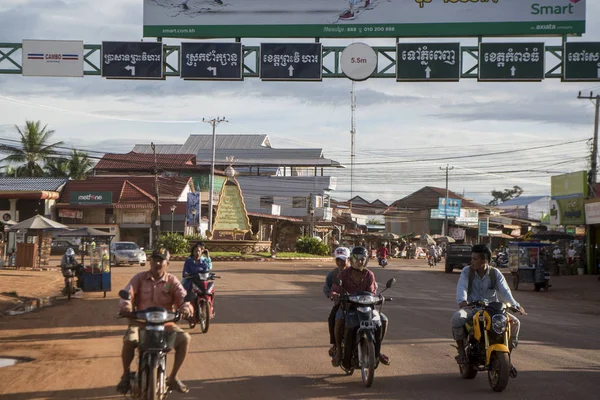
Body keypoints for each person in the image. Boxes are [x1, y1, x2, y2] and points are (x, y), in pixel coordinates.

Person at [117, 248, 193, 395]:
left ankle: (173, 377)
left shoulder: (172, 281)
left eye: (161, 260)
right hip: (141, 323)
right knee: (129, 340)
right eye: (154, 259)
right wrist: (126, 306)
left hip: (166, 325)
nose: (157, 263)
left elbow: (183, 297)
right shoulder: (139, 278)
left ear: (167, 263)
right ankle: (125, 375)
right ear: (149, 261)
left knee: (185, 338)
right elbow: (127, 293)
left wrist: (185, 308)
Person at [451, 244, 526, 367]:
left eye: (475, 259)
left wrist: (515, 305)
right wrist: (462, 301)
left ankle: (507, 358)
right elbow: (462, 287)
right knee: (457, 317)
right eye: (472, 258)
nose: (472, 262)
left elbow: (505, 291)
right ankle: (461, 352)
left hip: (492, 310)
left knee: (515, 323)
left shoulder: (495, 273)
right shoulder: (467, 271)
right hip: (472, 308)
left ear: (484, 260)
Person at [330, 246, 390, 367]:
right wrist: (335, 295)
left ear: (366, 260)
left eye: (363, 259)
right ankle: (339, 351)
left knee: (383, 320)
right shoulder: (344, 274)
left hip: (367, 308)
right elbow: (334, 290)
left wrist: (378, 298)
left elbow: (372, 292)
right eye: (357, 259)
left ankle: (377, 350)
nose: (360, 262)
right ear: (352, 260)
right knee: (338, 319)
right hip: (349, 307)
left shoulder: (369, 275)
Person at [323, 247, 351, 358]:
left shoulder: (358, 271)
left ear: (349, 259)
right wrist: (332, 295)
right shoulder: (333, 274)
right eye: (338, 260)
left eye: (343, 260)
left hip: (360, 303)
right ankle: (336, 345)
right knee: (333, 319)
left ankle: (376, 350)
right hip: (342, 304)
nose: (340, 262)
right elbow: (327, 289)